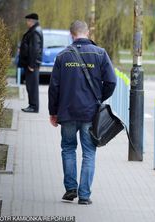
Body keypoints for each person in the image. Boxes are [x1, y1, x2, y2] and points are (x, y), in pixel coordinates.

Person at [48, 20, 116, 205]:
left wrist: (53, 112)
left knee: (68, 149)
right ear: (88, 32)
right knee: (89, 153)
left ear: (71, 34)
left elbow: (54, 87)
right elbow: (111, 82)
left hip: (67, 112)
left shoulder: (62, 56)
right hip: (90, 113)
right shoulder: (100, 54)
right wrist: (99, 99)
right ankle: (84, 195)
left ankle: (71, 189)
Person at [18, 13, 43, 113]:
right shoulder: (34, 30)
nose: (26, 22)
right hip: (30, 64)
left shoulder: (35, 32)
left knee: (32, 86)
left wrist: (32, 65)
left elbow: (34, 49)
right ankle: (31, 105)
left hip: (32, 65)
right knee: (30, 86)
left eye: (28, 20)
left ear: (32, 21)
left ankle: (33, 107)